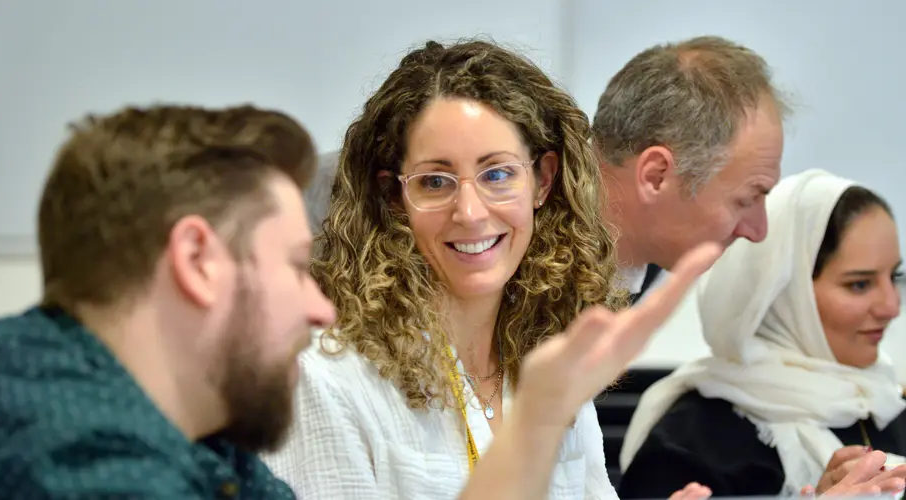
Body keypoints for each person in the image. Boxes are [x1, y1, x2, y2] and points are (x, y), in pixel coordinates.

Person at [0, 101, 729, 500]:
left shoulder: (172, 435)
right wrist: (535, 421)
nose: (318, 307)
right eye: (294, 266)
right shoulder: (72, 451)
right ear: (198, 260)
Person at [260, 39, 711, 500]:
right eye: (435, 181)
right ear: (394, 197)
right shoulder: (324, 378)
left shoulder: (542, 363)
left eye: (497, 174)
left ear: (543, 180)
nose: (470, 213)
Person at [617, 169, 906, 499]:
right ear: (781, 294)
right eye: (860, 284)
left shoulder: (893, 412)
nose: (890, 306)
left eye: (893, 277)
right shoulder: (690, 442)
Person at [591, 35, 788, 302]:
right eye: (745, 200)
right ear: (655, 176)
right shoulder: (519, 253)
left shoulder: (653, 249)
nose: (758, 231)